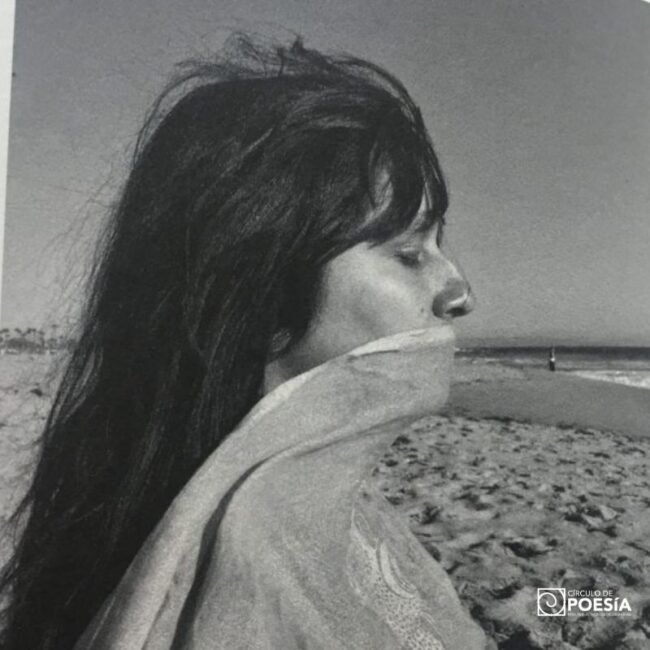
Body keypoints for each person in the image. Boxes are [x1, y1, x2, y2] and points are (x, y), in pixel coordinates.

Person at [0, 35, 484, 649]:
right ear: (263, 290)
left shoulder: (302, 493)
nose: (461, 292)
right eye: (409, 253)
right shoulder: (237, 576)